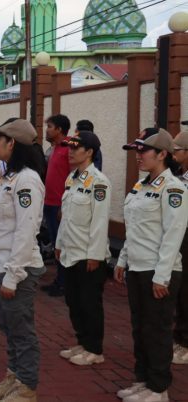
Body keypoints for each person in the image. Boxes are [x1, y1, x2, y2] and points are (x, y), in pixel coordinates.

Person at [114, 128, 188, 402]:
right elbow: (134, 229)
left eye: (143, 150)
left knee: (156, 330)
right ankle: (144, 380)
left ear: (162, 154)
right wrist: (122, 259)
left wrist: (162, 277)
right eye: (136, 151)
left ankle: (159, 389)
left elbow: (173, 234)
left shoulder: (174, 188)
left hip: (159, 271)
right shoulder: (141, 186)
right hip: (137, 267)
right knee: (140, 327)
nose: (138, 156)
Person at [0, 119, 45, 402]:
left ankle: (27, 386)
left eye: (0, 139)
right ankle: (14, 376)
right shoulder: (9, 177)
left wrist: (12, 275)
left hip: (15, 269)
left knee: (21, 331)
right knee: (9, 329)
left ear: (13, 144)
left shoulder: (28, 179)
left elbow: (25, 230)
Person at [55, 131, 111, 366]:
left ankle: (94, 349)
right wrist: (58, 244)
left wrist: (95, 255)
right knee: (74, 301)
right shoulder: (72, 178)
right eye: (69, 147)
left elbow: (100, 222)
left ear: (89, 152)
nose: (70, 151)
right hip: (70, 252)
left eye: (76, 148)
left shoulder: (99, 182)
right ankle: (82, 341)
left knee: (89, 304)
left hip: (88, 256)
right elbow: (66, 216)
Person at [42, 114, 72, 297]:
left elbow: (71, 178)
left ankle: (64, 283)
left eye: (50, 126)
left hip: (59, 205)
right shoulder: (54, 148)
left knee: (62, 244)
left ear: (60, 129)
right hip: (49, 203)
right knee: (55, 244)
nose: (47, 130)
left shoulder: (68, 148)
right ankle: (60, 280)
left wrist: (63, 205)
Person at [172, 129, 188, 365]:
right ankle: (180, 336)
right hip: (180, 236)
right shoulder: (179, 176)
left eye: (178, 150)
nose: (174, 153)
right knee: (181, 288)